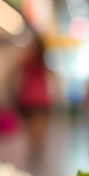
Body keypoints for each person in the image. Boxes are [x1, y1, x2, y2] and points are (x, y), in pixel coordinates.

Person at [15, 32, 54, 164]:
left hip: (29, 99)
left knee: (32, 129)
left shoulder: (28, 60)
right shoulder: (42, 62)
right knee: (39, 129)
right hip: (40, 99)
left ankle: (35, 152)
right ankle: (37, 151)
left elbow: (15, 70)